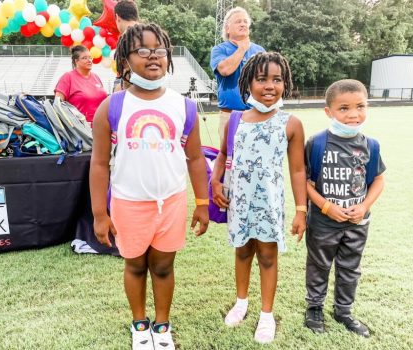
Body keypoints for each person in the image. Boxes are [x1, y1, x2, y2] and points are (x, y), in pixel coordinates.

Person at [90, 23, 209, 350]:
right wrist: (100, 213)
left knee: (163, 265)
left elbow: (195, 158)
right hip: (128, 203)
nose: (153, 56)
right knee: (135, 264)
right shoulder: (112, 106)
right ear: (125, 60)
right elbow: (99, 163)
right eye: (142, 50)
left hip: (170, 202)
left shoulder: (183, 106)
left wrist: (202, 202)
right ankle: (140, 324)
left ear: (168, 57)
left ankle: (162, 325)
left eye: (159, 49)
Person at [211, 52, 307, 344]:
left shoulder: (290, 123)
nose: (269, 86)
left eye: (276, 79)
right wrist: (215, 182)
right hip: (239, 203)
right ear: (248, 82)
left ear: (285, 83)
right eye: (261, 78)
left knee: (267, 256)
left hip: (269, 204)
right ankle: (241, 302)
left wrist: (301, 209)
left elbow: (298, 169)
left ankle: (266, 315)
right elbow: (224, 156)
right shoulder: (236, 120)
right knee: (242, 251)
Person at [303, 79, 385, 337]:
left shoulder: (371, 145)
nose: (353, 114)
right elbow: (304, 183)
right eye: (344, 108)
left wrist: (364, 206)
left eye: (360, 106)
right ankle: (314, 308)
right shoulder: (316, 143)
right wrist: (326, 206)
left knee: (350, 268)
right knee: (318, 266)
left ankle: (344, 311)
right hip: (323, 223)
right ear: (329, 112)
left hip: (357, 223)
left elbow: (378, 180)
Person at [210, 6, 265, 143]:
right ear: (227, 28)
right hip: (229, 115)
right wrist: (242, 49)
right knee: (229, 159)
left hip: (257, 114)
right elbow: (225, 70)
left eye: (245, 21)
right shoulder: (219, 49)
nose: (243, 24)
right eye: (238, 21)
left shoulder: (260, 50)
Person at [54, 45, 107, 127]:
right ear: (76, 61)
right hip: (81, 130)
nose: (89, 60)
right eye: (84, 58)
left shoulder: (96, 77)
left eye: (90, 57)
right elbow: (58, 105)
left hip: (102, 126)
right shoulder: (68, 77)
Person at [112, 0, 140, 92]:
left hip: (130, 89)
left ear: (117, 17)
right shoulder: (151, 34)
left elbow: (127, 75)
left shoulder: (127, 37)